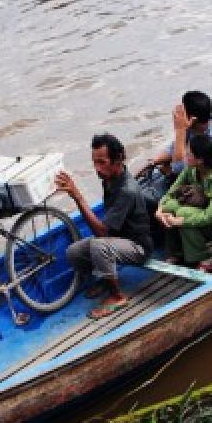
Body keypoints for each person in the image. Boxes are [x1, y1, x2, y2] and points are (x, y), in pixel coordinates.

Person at [54, 134, 153, 319]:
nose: (97, 168)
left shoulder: (127, 190)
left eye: (102, 162)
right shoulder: (109, 178)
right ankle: (105, 279)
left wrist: (78, 197)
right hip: (117, 239)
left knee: (99, 246)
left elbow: (101, 232)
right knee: (73, 252)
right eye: (95, 162)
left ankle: (118, 296)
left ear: (117, 160)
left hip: (137, 246)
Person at [156, 133, 212, 271]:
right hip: (201, 209)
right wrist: (160, 210)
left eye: (189, 153)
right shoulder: (191, 169)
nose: (185, 155)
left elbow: (211, 215)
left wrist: (181, 221)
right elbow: (170, 193)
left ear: (200, 160)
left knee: (184, 214)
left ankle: (205, 259)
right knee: (168, 207)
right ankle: (178, 252)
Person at [145, 91, 212, 191]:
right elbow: (174, 148)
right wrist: (154, 162)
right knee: (156, 172)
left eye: (183, 111)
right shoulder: (198, 126)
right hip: (209, 170)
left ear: (193, 119)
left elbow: (179, 170)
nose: (179, 114)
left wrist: (180, 130)